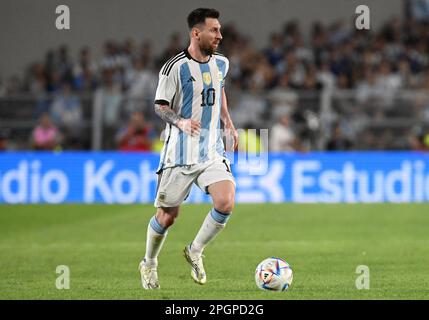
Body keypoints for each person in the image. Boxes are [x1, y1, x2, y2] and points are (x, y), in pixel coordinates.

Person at [139, 8, 238, 290]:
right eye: (214, 30)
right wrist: (180, 121)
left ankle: (195, 250)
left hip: (211, 150)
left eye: (219, 29)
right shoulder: (174, 68)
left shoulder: (222, 64)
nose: (220, 35)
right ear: (196, 33)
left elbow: (219, 91)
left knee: (225, 201)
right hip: (179, 153)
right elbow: (160, 105)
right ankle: (149, 263)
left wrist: (227, 122)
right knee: (168, 216)